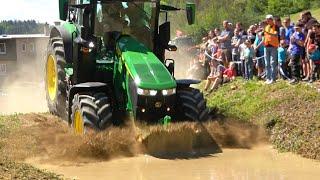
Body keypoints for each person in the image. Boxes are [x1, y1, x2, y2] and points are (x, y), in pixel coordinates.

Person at [263, 14, 280, 84]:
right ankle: (268, 78)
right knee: (267, 63)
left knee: (273, 63)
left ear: (271, 19)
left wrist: (268, 33)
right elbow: (264, 36)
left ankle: (273, 79)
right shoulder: (266, 27)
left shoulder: (276, 26)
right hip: (266, 46)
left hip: (273, 46)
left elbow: (276, 34)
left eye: (268, 19)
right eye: (267, 19)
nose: (267, 20)